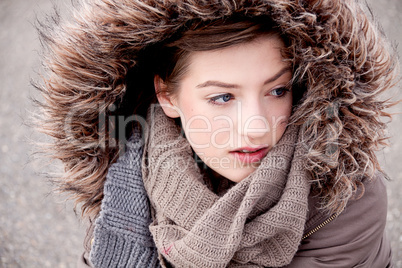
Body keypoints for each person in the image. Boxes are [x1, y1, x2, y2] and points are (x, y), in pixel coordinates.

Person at [35, 0, 399, 267]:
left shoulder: (346, 198)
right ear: (167, 96)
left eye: (277, 91)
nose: (257, 126)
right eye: (223, 97)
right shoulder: (127, 174)